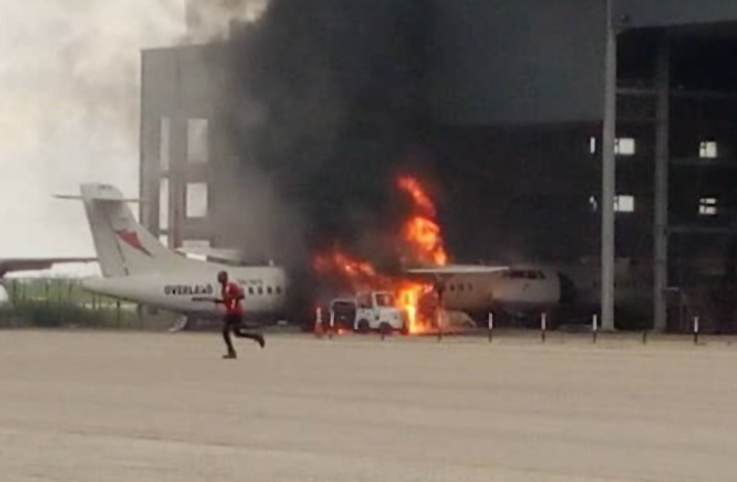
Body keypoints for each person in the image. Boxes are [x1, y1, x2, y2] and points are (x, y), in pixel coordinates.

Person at [216, 270, 265, 359]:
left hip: (236, 312)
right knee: (235, 333)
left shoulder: (231, 286)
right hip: (230, 312)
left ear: (225, 278)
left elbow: (241, 296)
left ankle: (255, 336)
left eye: (220, 277)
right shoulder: (224, 288)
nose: (218, 278)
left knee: (230, 332)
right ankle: (255, 336)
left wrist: (230, 298)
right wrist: (220, 301)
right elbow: (229, 301)